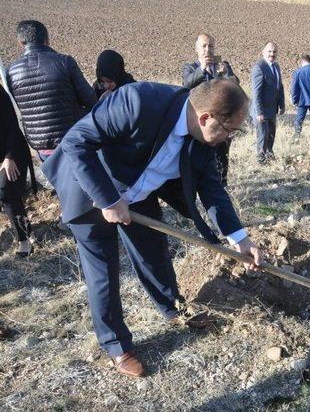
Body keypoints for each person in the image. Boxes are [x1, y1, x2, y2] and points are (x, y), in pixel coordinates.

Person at [41, 79, 263, 378]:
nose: (228, 138)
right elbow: (76, 142)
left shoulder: (204, 141)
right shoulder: (139, 101)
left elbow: (212, 190)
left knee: (154, 253)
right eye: (228, 129)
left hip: (139, 193)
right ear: (205, 117)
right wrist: (108, 199)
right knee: (103, 272)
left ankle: (174, 309)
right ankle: (116, 345)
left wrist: (240, 238)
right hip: (91, 190)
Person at [7, 20, 96, 162]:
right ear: (47, 39)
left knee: (56, 179)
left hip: (39, 145)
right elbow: (90, 99)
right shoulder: (64, 62)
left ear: (21, 43)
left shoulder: (11, 71)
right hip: (70, 139)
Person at [183, 34, 239, 186]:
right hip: (199, 124)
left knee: (222, 156)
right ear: (197, 49)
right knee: (197, 157)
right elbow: (186, 85)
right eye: (204, 46)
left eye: (211, 46)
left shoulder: (223, 65)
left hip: (221, 122)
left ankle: (222, 185)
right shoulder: (191, 68)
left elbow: (235, 87)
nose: (208, 50)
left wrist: (227, 73)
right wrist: (202, 68)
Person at [1, 87, 36, 257]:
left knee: (6, 191)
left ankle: (24, 241)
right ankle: (28, 231)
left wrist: (9, 157)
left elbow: (12, 127)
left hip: (12, 151)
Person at [251, 42, 285, 164]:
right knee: (263, 136)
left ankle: (269, 155)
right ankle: (261, 160)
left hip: (272, 109)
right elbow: (256, 92)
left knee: (271, 134)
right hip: (262, 110)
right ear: (263, 52)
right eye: (270, 51)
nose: (272, 54)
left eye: (274, 52)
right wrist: (259, 112)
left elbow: (279, 87)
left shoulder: (276, 66)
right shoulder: (259, 67)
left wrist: (282, 104)